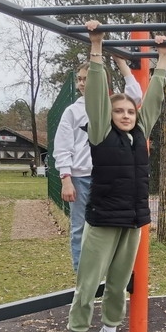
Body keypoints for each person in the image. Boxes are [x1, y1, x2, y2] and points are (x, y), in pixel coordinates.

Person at [65, 20, 166, 332]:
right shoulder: (99, 133)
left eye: (130, 111)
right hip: (104, 218)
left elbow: (153, 99)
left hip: (134, 219)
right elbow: (96, 95)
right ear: (108, 116)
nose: (126, 115)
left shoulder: (140, 133)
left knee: (120, 283)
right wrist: (96, 47)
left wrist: (163, 58)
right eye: (119, 111)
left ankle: (108, 331)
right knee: (88, 283)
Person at [53, 53, 142, 271]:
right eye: (79, 79)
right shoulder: (73, 111)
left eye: (87, 78)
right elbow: (62, 147)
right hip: (82, 177)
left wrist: (121, 62)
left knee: (110, 224)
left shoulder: (112, 106)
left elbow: (136, 97)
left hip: (109, 177)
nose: (82, 83)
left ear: (102, 81)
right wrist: (66, 179)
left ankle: (107, 270)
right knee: (80, 226)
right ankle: (82, 273)